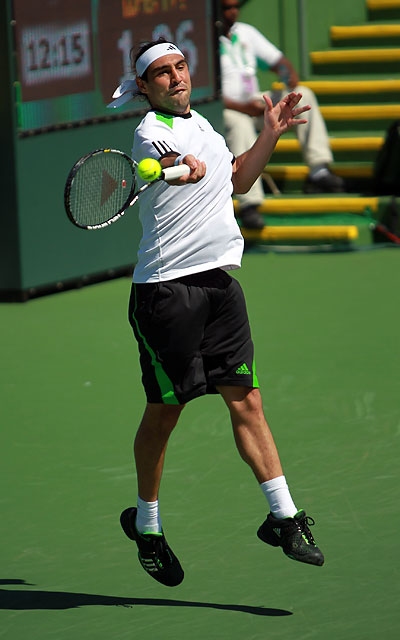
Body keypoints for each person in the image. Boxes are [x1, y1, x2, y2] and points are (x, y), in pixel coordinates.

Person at [113, 37, 324, 587]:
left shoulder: (204, 125)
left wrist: (269, 134)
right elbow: (167, 163)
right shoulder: (150, 131)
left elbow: (238, 180)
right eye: (163, 73)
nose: (176, 77)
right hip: (166, 294)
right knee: (165, 412)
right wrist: (180, 166)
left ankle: (284, 517)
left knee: (247, 400)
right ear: (145, 87)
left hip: (220, 287)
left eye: (181, 66)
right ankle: (148, 526)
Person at [219, 1, 345, 229]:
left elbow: (279, 62)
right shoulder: (203, 40)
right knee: (238, 123)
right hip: (226, 109)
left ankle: (318, 172)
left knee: (304, 94)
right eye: (226, 7)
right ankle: (249, 204)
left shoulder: (245, 32)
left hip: (255, 103)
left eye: (236, 6)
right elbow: (207, 93)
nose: (232, 12)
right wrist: (245, 108)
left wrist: (288, 76)